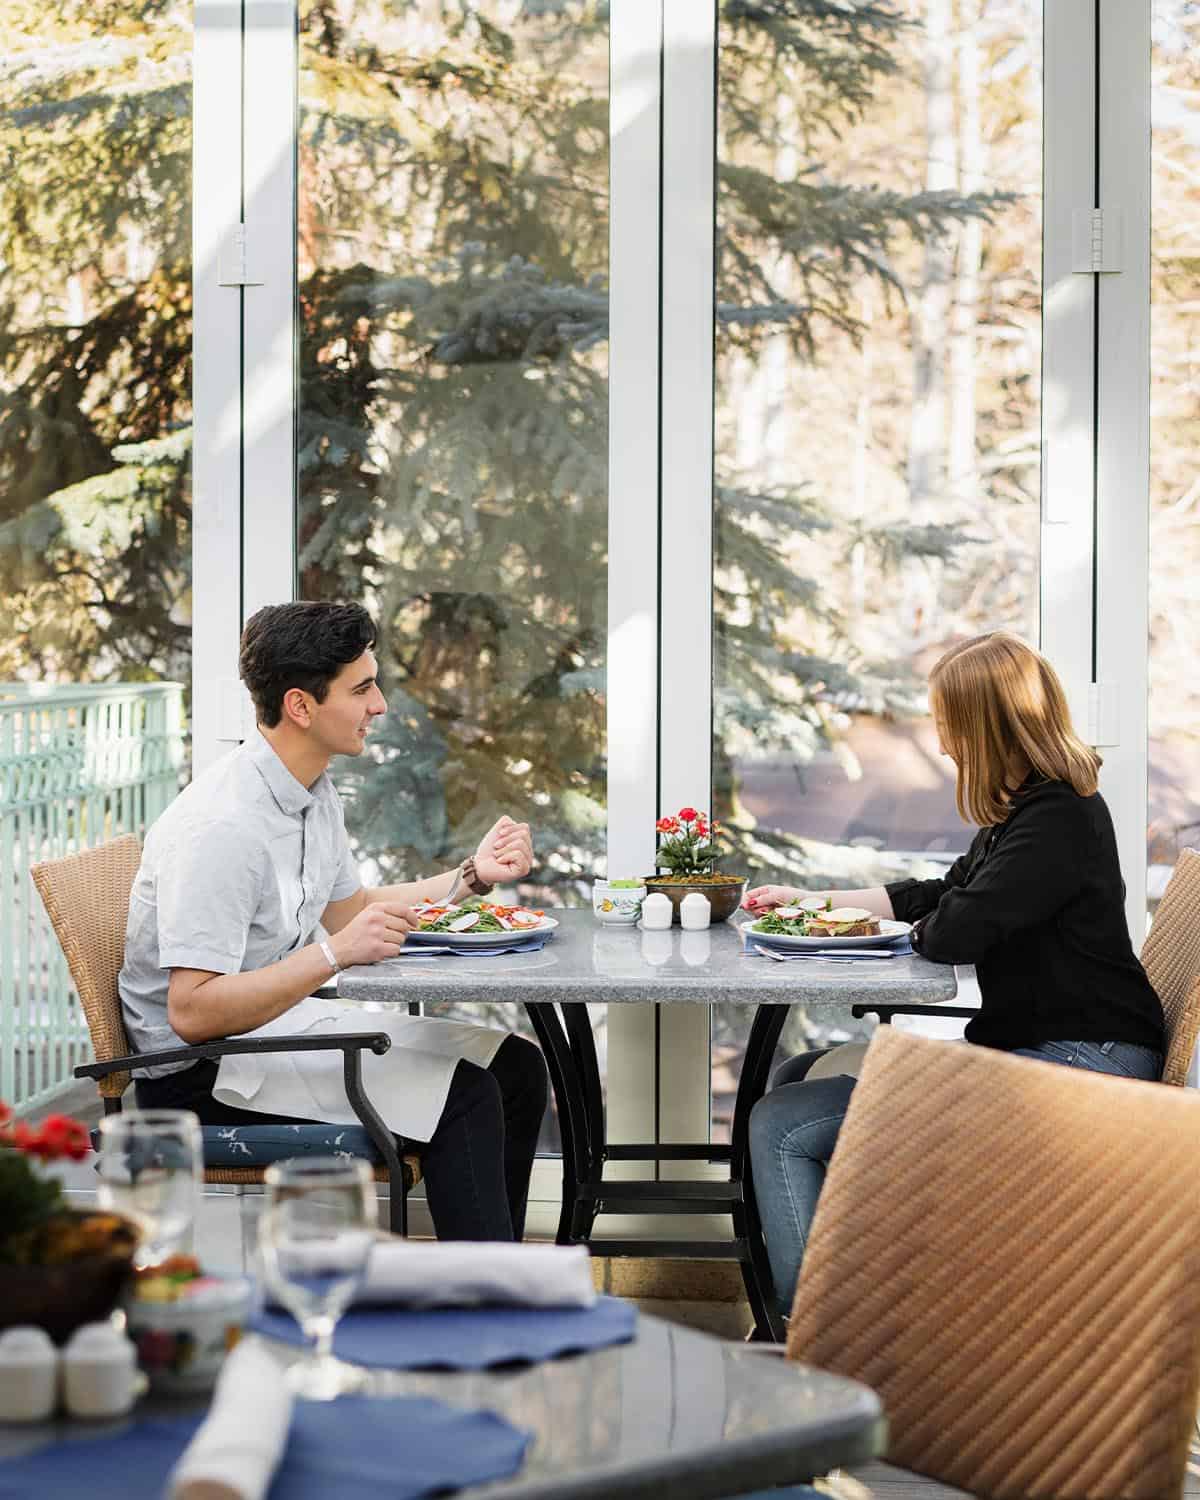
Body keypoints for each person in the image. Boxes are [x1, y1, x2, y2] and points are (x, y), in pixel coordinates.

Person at [744, 631, 1165, 1318]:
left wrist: (922, 927)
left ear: (987, 729)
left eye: (949, 726)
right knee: (796, 1077)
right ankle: (858, 1291)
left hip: (1083, 1068)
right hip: (1057, 1049)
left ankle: (812, 1336)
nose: (942, 744)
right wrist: (812, 902)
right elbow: (938, 895)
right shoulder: (1029, 811)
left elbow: (950, 932)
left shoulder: (1055, 821)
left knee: (781, 1126)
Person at [120, 600, 549, 1242]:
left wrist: (471, 876)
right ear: (301, 706)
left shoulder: (310, 794)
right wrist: (333, 956)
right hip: (203, 1075)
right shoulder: (221, 828)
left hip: (269, 1033)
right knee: (468, 1096)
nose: (379, 705)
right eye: (363, 688)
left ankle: (500, 1280)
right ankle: (479, 1302)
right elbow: (192, 1011)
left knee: (516, 1067)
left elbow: (352, 912)